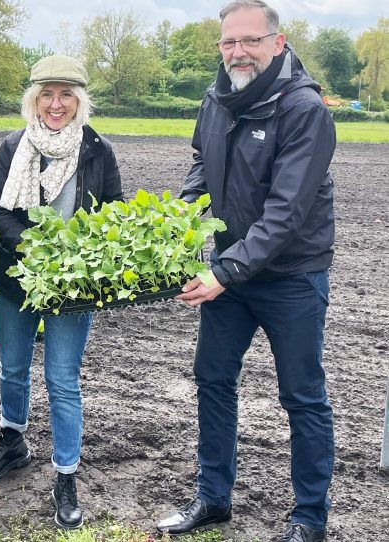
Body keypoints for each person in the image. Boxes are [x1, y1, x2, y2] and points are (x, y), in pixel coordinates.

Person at [156, 1, 336, 541]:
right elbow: (200, 165)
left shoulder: (305, 109)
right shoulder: (216, 98)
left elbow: (286, 212)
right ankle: (212, 498)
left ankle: (309, 519)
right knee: (212, 381)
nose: (238, 51)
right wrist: (180, 221)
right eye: (228, 42)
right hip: (230, 275)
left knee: (301, 394)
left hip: (291, 277)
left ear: (277, 43)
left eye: (250, 41)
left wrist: (224, 271)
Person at [0, 54, 123, 530]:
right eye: (47, 94)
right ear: (33, 98)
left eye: (66, 95)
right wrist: (37, 250)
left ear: (80, 101)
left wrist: (72, 259)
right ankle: (13, 440)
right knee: (12, 367)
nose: (55, 104)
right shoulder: (15, 145)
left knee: (62, 379)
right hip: (18, 275)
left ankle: (65, 474)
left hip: (74, 286)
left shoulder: (97, 149)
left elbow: (114, 213)